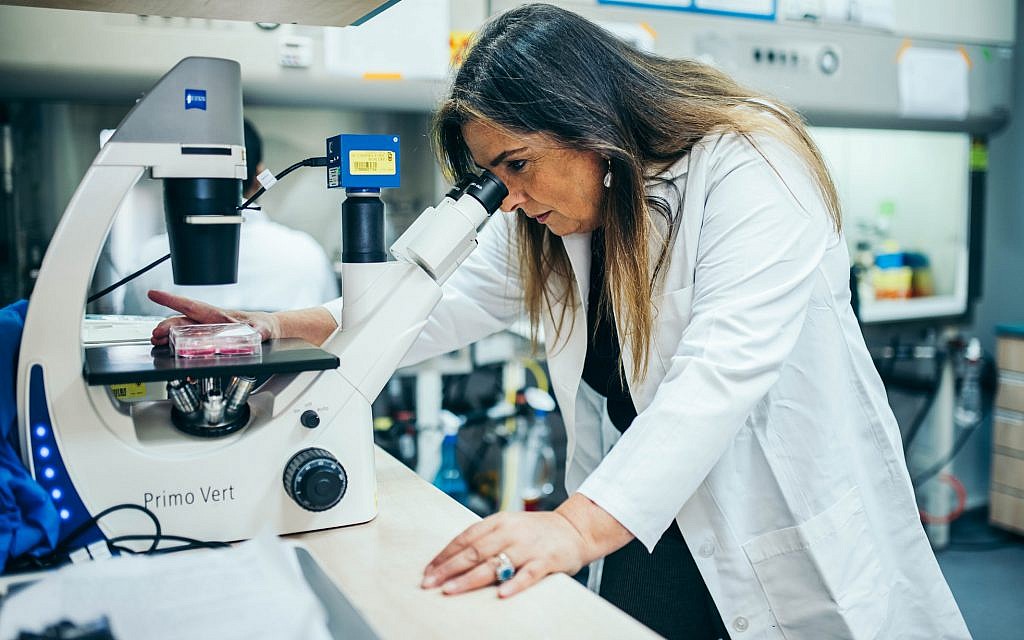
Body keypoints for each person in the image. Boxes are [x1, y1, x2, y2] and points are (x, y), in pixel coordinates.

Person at [149, 5, 970, 639]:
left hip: (773, 520)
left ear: (590, 125)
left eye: (517, 164)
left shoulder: (749, 162)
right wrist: (270, 328)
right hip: (648, 529)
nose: (509, 194)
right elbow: (438, 301)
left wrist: (573, 526)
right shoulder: (552, 217)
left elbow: (721, 370)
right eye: (493, 175)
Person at [123, 119, 339, 316]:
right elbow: (330, 326)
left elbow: (133, 332)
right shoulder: (307, 253)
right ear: (258, 176)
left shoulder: (148, 259)